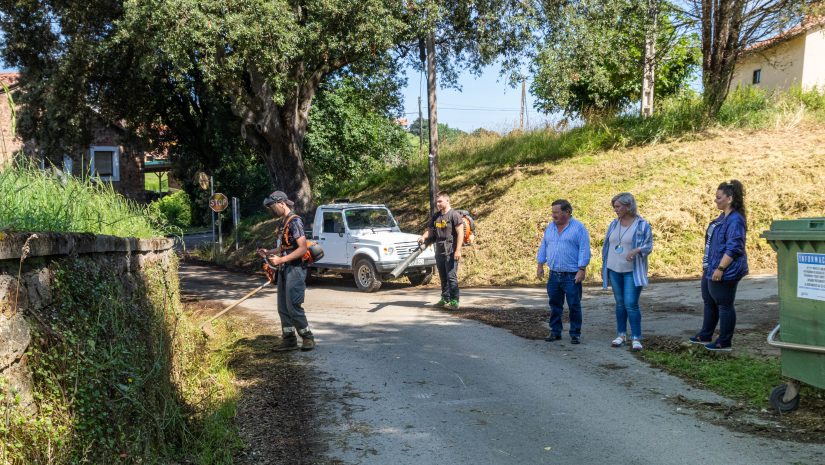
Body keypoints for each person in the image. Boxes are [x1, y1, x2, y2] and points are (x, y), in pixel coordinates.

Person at [690, 180, 749, 352]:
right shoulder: (723, 217)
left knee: (724, 304)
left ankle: (724, 341)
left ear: (729, 198)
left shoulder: (735, 220)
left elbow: (735, 247)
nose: (715, 200)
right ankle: (705, 334)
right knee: (709, 301)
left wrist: (721, 268)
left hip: (726, 269)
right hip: (711, 266)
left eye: (718, 197)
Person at [256, 191, 315, 352]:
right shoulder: (283, 222)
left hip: (295, 269)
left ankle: (307, 338)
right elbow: (284, 247)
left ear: (282, 203)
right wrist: (268, 252)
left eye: (273, 207)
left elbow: (302, 248)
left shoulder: (295, 222)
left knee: (293, 306)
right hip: (284, 269)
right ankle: (289, 340)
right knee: (282, 307)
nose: (272, 210)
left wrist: (281, 260)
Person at [601, 193, 653, 351]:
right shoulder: (613, 224)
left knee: (631, 304)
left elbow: (648, 246)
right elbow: (608, 245)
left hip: (632, 270)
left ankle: (636, 337)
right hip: (614, 269)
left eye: (618, 206)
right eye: (614, 207)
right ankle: (621, 335)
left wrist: (636, 250)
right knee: (620, 304)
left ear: (628, 206)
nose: (615, 210)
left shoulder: (642, 225)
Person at [536, 199, 591, 344]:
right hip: (554, 274)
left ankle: (575, 333)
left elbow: (584, 249)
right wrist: (540, 264)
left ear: (567, 212)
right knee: (555, 305)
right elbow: (544, 246)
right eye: (552, 212)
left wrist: (582, 269)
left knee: (574, 305)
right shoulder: (550, 227)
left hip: (572, 275)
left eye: (556, 212)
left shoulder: (579, 228)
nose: (553, 215)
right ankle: (555, 332)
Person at [418, 191, 465, 310]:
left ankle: (454, 301)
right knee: (443, 276)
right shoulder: (436, 216)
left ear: (447, 200)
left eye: (440, 201)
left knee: (451, 276)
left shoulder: (454, 215)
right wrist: (423, 237)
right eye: (437, 202)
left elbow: (460, 233)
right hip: (439, 251)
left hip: (451, 251)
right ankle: (445, 298)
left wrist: (458, 250)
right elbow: (431, 230)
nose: (437, 204)